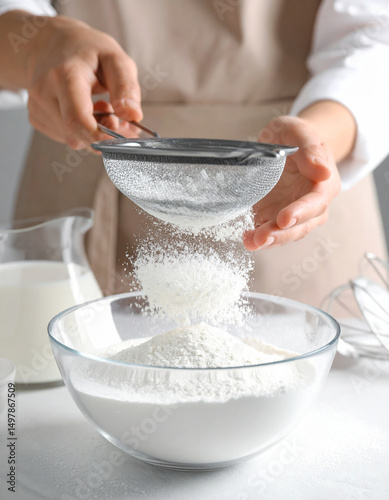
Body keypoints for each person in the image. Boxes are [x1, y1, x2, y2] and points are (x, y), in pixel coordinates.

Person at [0, 0, 388, 306]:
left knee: (306, 387)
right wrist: (37, 47)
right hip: (84, 166)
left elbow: (376, 35)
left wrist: (317, 136)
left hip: (295, 178)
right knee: (56, 392)